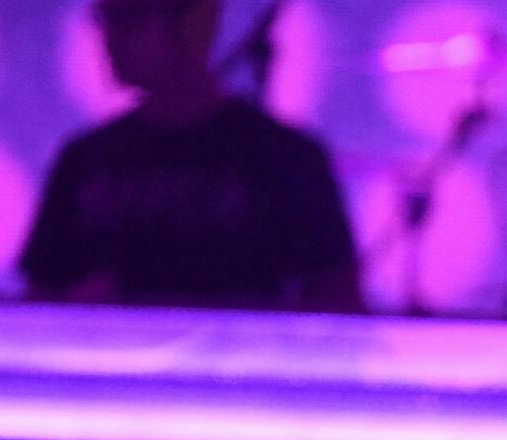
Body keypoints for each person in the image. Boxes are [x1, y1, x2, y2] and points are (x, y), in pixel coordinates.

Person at [19, 0, 362, 311]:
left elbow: (338, 302)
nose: (109, 38)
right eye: (104, 19)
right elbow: (38, 299)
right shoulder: (83, 159)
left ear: (190, 24)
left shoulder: (286, 159)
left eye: (129, 18)